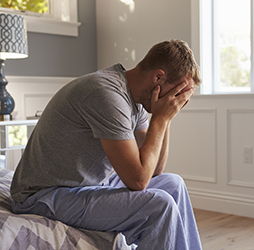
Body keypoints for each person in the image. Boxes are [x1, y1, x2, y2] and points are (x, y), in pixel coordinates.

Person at [10, 39, 203, 250]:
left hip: (89, 185)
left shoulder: (135, 99)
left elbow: (155, 170)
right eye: (177, 94)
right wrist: (161, 119)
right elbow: (138, 180)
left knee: (173, 184)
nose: (178, 102)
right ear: (158, 77)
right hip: (43, 195)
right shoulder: (106, 94)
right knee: (159, 206)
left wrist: (166, 118)